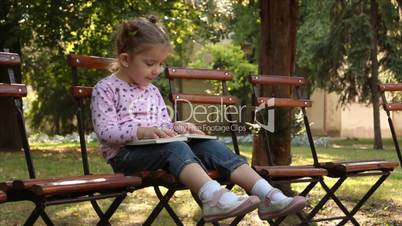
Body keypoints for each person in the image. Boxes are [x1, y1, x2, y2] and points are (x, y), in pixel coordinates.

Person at [91, 16, 306, 222]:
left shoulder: (152, 91)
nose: (157, 70)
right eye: (150, 63)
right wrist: (141, 131)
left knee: (208, 144)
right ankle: (213, 198)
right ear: (125, 59)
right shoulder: (106, 89)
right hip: (125, 156)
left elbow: (163, 126)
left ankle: (267, 195)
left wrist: (178, 127)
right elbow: (105, 131)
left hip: (158, 150)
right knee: (174, 148)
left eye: (160, 64)